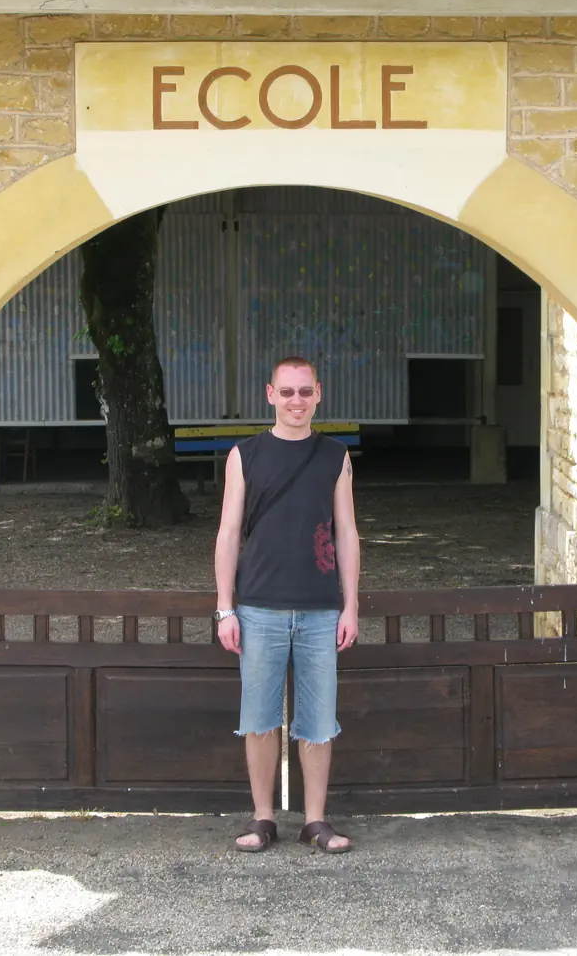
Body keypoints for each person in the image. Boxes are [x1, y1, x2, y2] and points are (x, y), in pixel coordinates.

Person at [213, 356, 360, 854]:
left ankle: (315, 821)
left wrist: (351, 605)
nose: (297, 400)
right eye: (288, 391)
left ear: (318, 393)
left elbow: (346, 532)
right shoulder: (245, 455)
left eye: (305, 391)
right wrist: (225, 607)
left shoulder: (335, 456)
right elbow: (228, 533)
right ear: (270, 394)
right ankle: (263, 818)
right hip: (259, 607)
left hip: (320, 609)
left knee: (318, 721)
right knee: (259, 718)